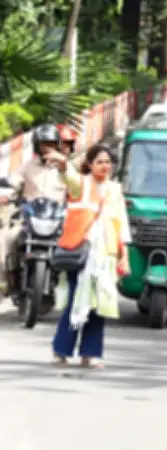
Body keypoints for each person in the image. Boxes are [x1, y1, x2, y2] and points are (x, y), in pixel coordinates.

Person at [50, 144, 131, 368]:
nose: (105, 166)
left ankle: (90, 353)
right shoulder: (81, 185)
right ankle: (61, 350)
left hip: (106, 256)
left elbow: (121, 223)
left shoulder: (115, 189)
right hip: (81, 253)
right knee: (77, 300)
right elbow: (68, 175)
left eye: (108, 162)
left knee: (99, 306)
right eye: (100, 162)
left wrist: (125, 256)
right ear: (90, 164)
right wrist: (63, 162)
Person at [0, 124, 69, 292]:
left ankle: (67, 286)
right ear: (37, 146)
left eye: (51, 144)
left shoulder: (66, 168)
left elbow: (77, 187)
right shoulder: (28, 166)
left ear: (57, 145)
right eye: (44, 144)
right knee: (7, 237)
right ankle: (7, 277)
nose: (47, 148)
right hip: (29, 217)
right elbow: (14, 181)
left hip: (58, 219)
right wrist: (6, 195)